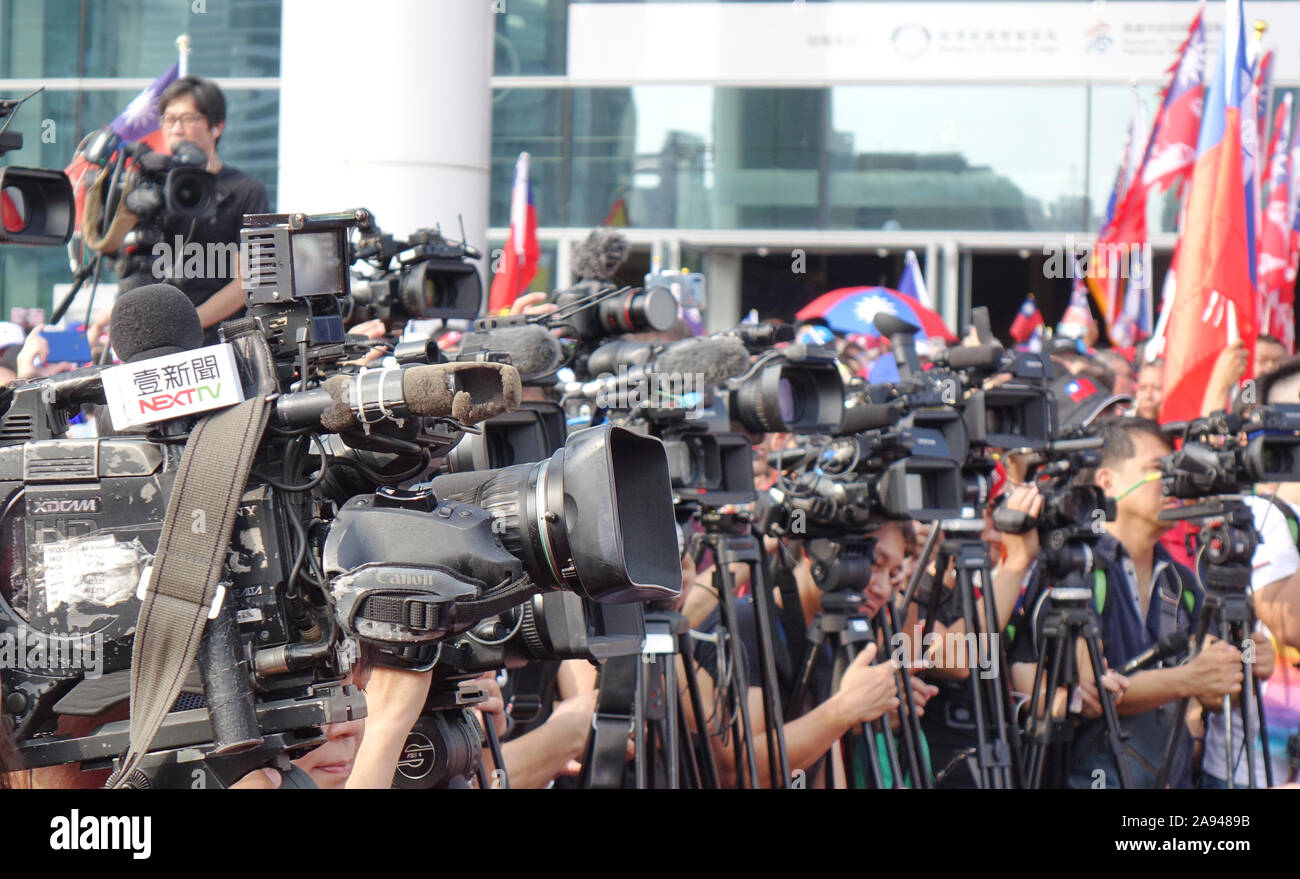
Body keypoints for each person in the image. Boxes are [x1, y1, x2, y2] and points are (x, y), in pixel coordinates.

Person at [1008, 417, 1243, 788]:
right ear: (1106, 481)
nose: (1171, 482)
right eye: (1157, 469)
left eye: (1174, 470)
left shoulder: (1180, 579)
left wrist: (1238, 665)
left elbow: (1215, 688)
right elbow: (1093, 694)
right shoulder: (1074, 566)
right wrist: (1189, 679)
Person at [684, 519, 937, 788]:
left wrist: (865, 709)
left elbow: (824, 768)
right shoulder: (746, 623)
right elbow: (740, 773)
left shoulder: (827, 636)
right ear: (813, 550)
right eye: (873, 562)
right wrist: (844, 710)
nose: (883, 588)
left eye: (894, 573)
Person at [124, 75, 269, 344]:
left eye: (188, 119)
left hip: (218, 341)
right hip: (152, 341)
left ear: (217, 127)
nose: (176, 129)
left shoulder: (246, 190)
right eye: (169, 119)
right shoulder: (148, 186)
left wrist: (188, 322)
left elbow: (247, 282)